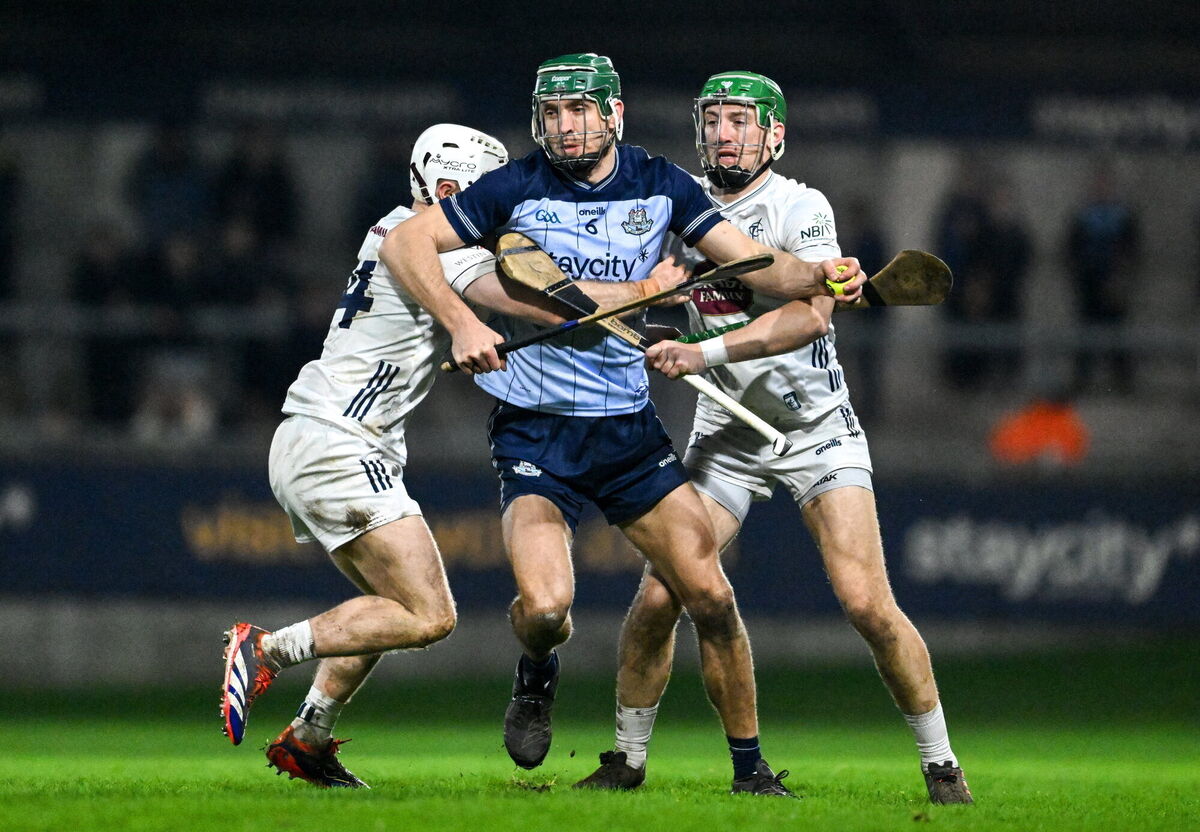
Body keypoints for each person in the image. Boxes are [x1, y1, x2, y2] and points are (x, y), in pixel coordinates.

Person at [381, 54, 865, 796]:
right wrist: (457, 323)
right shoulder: (513, 188)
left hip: (627, 433)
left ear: (614, 115)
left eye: (579, 111)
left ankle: (751, 771)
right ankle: (537, 671)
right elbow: (406, 242)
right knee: (545, 609)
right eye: (551, 112)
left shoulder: (660, 183)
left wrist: (822, 274)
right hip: (535, 430)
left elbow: (756, 263)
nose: (563, 126)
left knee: (710, 595)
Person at [573, 71, 973, 805]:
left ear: (774, 135)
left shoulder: (800, 205)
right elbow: (659, 313)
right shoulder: (673, 206)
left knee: (866, 604)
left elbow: (810, 316)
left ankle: (942, 765)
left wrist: (703, 353)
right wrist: (643, 320)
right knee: (661, 596)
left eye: (740, 121)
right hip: (726, 434)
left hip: (816, 427)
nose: (725, 132)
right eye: (714, 119)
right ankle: (625, 761)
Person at [218, 124, 592, 788]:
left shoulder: (409, 231)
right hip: (339, 443)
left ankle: (308, 739)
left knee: (384, 608)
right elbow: (514, 298)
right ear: (448, 187)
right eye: (487, 187)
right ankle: (266, 648)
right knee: (429, 614)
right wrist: (624, 304)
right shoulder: (431, 237)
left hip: (320, 436)